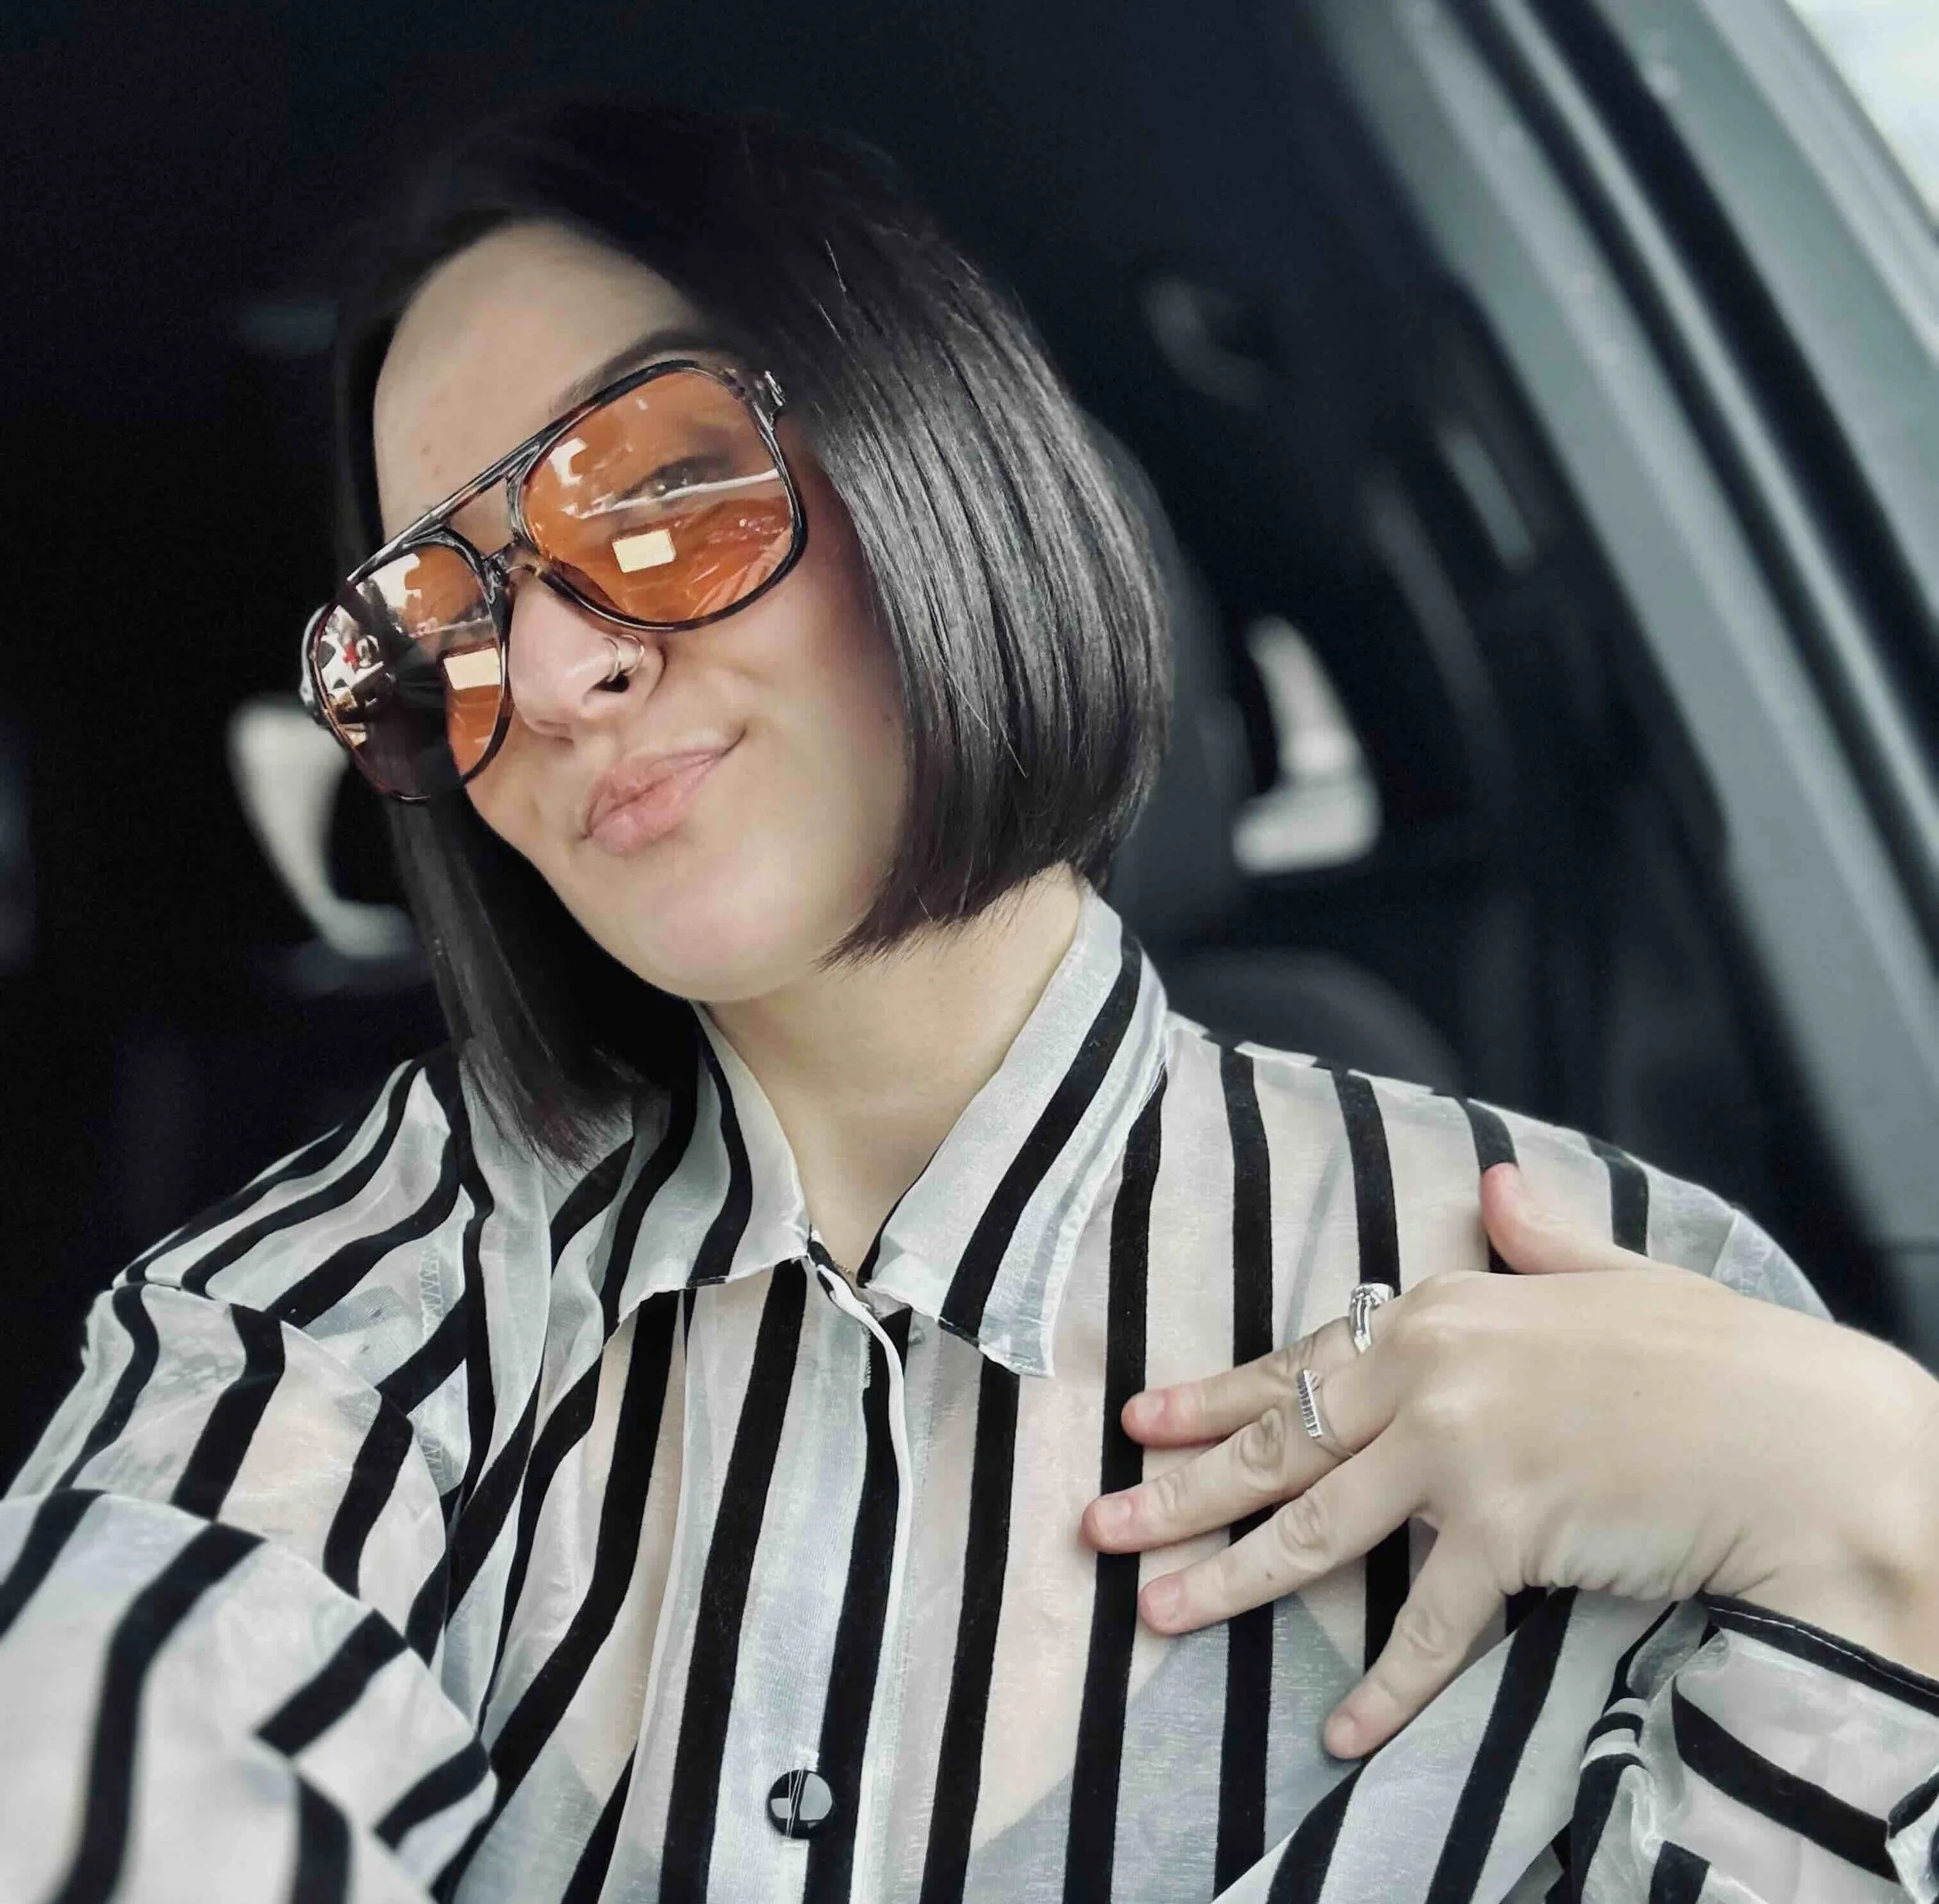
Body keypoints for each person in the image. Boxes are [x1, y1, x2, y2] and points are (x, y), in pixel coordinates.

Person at [3, 97, 1937, 1904]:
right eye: (445, 621)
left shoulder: (1635, 1333)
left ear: (938, 457)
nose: (562, 671)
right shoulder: (338, 1309)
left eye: (662, 487)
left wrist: (1889, 1506)